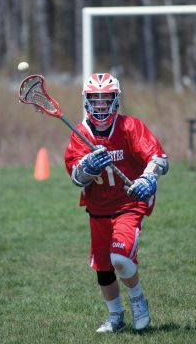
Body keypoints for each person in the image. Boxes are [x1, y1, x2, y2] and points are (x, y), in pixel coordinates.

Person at [65, 72, 169, 333]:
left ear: (116, 100)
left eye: (105, 99)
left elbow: (158, 158)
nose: (100, 105)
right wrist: (87, 167)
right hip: (99, 208)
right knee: (103, 266)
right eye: (95, 100)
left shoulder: (130, 126)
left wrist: (148, 178)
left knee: (119, 258)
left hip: (129, 201)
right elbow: (77, 178)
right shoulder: (81, 133)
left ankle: (138, 301)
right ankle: (116, 317)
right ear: (86, 101)